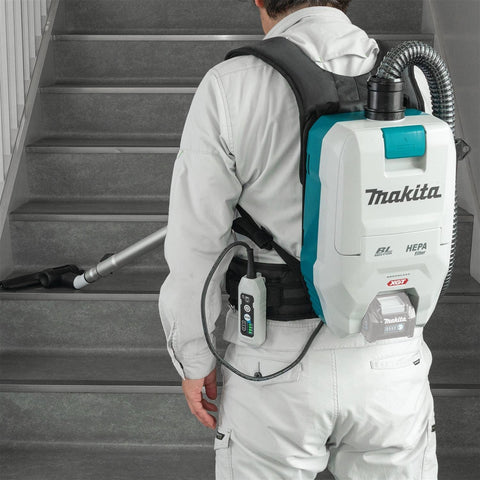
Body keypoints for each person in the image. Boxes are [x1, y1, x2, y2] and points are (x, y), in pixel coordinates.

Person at [159, 1, 438, 478]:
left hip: (275, 365)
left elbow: (196, 244)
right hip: (392, 354)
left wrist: (195, 354)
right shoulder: (413, 77)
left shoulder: (232, 85)